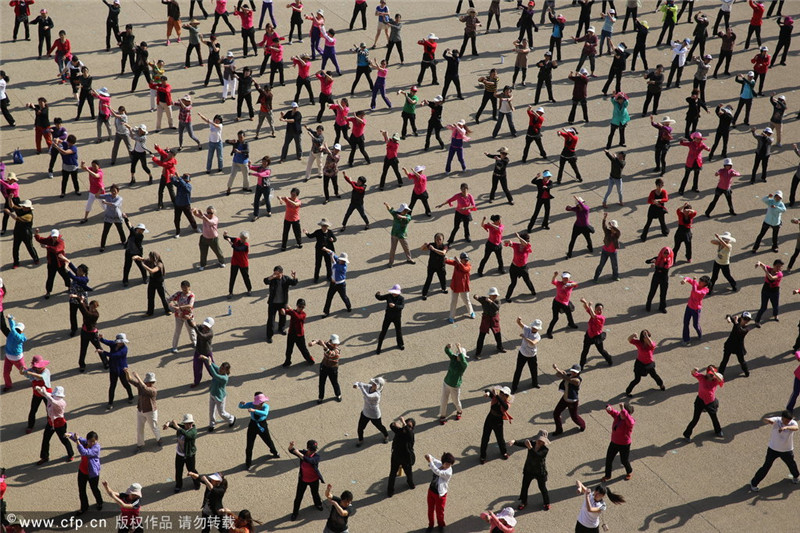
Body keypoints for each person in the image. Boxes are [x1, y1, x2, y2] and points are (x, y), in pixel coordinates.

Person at [750, 411, 800, 491]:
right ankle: (754, 483)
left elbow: (796, 428)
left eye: (789, 421)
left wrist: (786, 427)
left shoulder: (792, 422)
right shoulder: (777, 420)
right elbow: (766, 420)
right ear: (782, 418)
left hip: (786, 450)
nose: (787, 422)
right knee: (766, 466)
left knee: (792, 464)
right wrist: (769, 421)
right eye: (786, 420)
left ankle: (795, 476)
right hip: (773, 449)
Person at [683, 365, 725, 440]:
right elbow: (693, 373)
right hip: (700, 401)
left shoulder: (716, 380)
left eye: (712, 374)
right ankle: (687, 434)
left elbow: (720, 381)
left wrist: (714, 374)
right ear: (707, 373)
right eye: (710, 374)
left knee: (714, 418)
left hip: (710, 403)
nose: (711, 375)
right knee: (695, 419)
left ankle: (718, 431)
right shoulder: (702, 378)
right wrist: (694, 369)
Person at [239, 391, 279, 469]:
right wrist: (241, 403)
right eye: (259, 402)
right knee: (249, 445)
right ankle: (248, 463)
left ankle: (275, 452)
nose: (261, 404)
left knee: (268, 441)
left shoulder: (265, 406)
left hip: (262, 425)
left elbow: (265, 413)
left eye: (262, 402)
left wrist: (254, 410)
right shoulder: (251, 404)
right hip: (252, 425)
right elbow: (241, 407)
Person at [35, 385, 74, 465]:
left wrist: (45, 393)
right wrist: (39, 390)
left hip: (60, 424)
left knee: (64, 440)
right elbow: (46, 395)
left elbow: (52, 400)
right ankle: (44, 457)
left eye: (57, 395)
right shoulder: (52, 396)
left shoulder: (61, 403)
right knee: (45, 439)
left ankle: (71, 454)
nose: (55, 396)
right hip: (50, 423)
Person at [66, 430, 102, 515]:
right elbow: (79, 438)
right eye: (90, 441)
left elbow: (84, 452)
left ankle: (99, 502)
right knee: (82, 490)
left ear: (96, 440)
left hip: (92, 473)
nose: (91, 443)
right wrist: (70, 435)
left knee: (94, 488)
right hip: (82, 471)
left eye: (93, 441)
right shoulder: (86, 443)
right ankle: (84, 507)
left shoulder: (96, 448)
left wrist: (77, 442)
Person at [125, 370, 162, 451]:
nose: (147, 383)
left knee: (154, 427)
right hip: (140, 410)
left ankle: (159, 439)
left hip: (150, 411)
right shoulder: (141, 385)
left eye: (149, 382)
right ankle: (140, 444)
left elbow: (145, 388)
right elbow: (130, 380)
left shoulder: (153, 390)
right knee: (139, 428)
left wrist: (138, 377)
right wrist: (127, 373)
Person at [289, 439, 324, 520]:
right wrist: (291, 447)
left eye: (314, 450)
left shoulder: (316, 457)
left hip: (314, 480)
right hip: (303, 480)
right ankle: (295, 513)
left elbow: (309, 460)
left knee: (315, 494)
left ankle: (318, 504)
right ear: (307, 448)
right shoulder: (303, 453)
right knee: (298, 497)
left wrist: (298, 453)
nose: (313, 451)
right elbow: (291, 451)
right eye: (311, 449)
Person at [163, 414, 199, 492]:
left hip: (189, 455)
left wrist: (177, 426)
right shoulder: (181, 427)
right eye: (186, 423)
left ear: (192, 423)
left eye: (190, 423)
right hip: (179, 454)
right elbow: (172, 424)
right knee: (178, 471)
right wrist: (168, 423)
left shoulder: (193, 431)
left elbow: (187, 435)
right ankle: (178, 485)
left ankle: (197, 483)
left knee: (192, 471)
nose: (188, 425)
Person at [98, 332, 134, 410]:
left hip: (122, 369)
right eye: (120, 342)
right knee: (112, 386)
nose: (121, 343)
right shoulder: (113, 344)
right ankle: (110, 402)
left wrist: (103, 352)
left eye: (122, 342)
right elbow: (106, 342)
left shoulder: (124, 349)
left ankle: (131, 396)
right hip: (113, 369)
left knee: (125, 384)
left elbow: (114, 355)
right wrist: (101, 338)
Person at [718, 312, 760, 377]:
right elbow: (728, 315)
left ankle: (746, 372)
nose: (746, 321)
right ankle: (720, 375)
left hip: (738, 347)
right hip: (730, 344)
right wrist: (728, 318)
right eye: (745, 318)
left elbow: (739, 331)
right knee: (724, 360)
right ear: (742, 317)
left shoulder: (746, 328)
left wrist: (736, 322)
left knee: (741, 361)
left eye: (748, 319)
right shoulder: (737, 321)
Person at [624, 329, 665, 396]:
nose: (646, 338)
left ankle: (661, 384)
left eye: (648, 336)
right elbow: (629, 339)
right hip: (640, 363)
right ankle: (628, 391)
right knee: (637, 379)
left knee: (654, 375)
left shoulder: (652, 344)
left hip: (649, 364)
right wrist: (633, 335)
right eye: (644, 336)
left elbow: (651, 344)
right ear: (642, 338)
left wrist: (646, 336)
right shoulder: (639, 343)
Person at [602, 403, 634, 483]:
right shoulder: (618, 416)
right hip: (614, 442)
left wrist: (623, 409)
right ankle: (607, 475)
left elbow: (630, 421)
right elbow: (612, 412)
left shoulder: (629, 422)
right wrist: (609, 408)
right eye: (621, 413)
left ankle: (629, 471)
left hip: (624, 445)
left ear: (628, 414)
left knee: (624, 461)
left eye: (624, 414)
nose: (621, 415)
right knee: (609, 459)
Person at [264, 266, 298, 342]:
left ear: (281, 273)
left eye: (277, 274)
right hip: (273, 303)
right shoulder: (272, 279)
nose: (275, 275)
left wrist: (294, 277)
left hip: (282, 303)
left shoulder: (286, 279)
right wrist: (271, 277)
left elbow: (294, 283)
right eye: (274, 273)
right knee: (271, 320)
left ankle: (281, 329)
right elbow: (265, 281)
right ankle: (269, 336)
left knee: (283, 317)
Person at [33, 228, 69, 299]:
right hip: (51, 263)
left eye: (55, 237)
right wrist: (36, 234)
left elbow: (57, 249)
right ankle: (48, 292)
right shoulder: (49, 240)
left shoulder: (61, 242)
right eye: (53, 237)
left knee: (65, 275)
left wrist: (47, 246)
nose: (54, 238)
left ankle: (69, 286)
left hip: (60, 263)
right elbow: (40, 239)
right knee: (50, 278)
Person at [353, 377, 389, 446]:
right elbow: (359, 383)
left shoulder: (377, 395)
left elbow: (368, 395)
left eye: (375, 384)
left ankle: (386, 435)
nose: (373, 385)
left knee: (380, 426)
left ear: (378, 387)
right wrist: (356, 385)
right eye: (373, 383)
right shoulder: (369, 387)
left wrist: (361, 387)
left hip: (374, 415)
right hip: (365, 412)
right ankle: (360, 440)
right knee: (360, 428)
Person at [552, 363, 586, 435]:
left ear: (578, 373)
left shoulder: (577, 380)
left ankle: (583, 425)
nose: (573, 373)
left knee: (574, 417)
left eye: (575, 372)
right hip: (565, 398)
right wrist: (558, 370)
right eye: (572, 371)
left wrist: (558, 370)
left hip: (572, 401)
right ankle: (559, 430)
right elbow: (557, 375)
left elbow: (569, 379)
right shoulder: (569, 375)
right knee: (556, 413)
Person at [425, 452, 455, 532]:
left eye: (450, 464)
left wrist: (430, 462)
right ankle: (430, 525)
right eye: (447, 464)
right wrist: (429, 456)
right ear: (443, 462)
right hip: (431, 490)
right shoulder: (439, 464)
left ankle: (441, 526)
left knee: (440, 512)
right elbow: (433, 458)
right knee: (430, 510)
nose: (448, 466)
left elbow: (437, 472)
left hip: (440, 495)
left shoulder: (448, 472)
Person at [21, 355, 51, 433]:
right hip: (36, 394)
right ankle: (30, 426)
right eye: (37, 367)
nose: (38, 369)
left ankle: (50, 424)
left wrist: (30, 373)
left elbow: (41, 377)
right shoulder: (33, 370)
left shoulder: (46, 371)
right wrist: (22, 369)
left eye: (40, 367)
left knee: (49, 410)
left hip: (47, 394)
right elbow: (22, 373)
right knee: (33, 410)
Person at [135, 251, 170, 317]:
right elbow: (143, 259)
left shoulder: (159, 264)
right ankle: (149, 312)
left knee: (162, 297)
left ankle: (167, 309)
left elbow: (152, 270)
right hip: (152, 282)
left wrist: (143, 265)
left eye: (150, 257)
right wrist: (137, 257)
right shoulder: (150, 261)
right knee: (150, 297)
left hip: (159, 282)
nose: (149, 258)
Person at [578, 299, 612, 368]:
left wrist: (590, 306)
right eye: (598, 309)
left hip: (597, 337)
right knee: (585, 351)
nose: (600, 311)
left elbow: (593, 315)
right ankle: (581, 366)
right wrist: (585, 302)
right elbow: (587, 308)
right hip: (589, 335)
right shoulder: (593, 313)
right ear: (595, 310)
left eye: (601, 310)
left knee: (601, 350)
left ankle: (609, 360)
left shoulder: (601, 318)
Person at [511, 317, 541, 393]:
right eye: (533, 327)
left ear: (538, 329)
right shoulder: (527, 329)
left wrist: (524, 337)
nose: (533, 329)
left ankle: (535, 383)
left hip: (532, 355)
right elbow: (519, 323)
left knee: (534, 370)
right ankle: (514, 387)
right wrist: (519, 320)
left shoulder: (538, 336)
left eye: (535, 328)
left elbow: (533, 343)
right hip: (522, 354)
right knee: (518, 370)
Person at [440, 343, 468, 424]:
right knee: (443, 400)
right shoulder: (453, 358)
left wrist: (459, 348)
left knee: (455, 401)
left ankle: (459, 411)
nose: (457, 357)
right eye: (457, 355)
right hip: (446, 383)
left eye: (459, 355)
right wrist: (447, 347)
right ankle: (442, 415)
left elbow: (463, 361)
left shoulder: (464, 365)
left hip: (455, 386)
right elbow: (447, 351)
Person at [281, 299, 314, 367]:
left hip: (299, 335)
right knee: (289, 350)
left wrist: (290, 310)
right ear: (297, 305)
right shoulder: (293, 312)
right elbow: (284, 312)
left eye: (302, 307)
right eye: (299, 306)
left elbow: (298, 317)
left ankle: (310, 360)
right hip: (291, 334)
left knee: (303, 349)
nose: (301, 308)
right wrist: (282, 310)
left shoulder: (303, 314)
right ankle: (287, 361)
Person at [311, 334, 342, 402]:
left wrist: (323, 345)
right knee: (321, 383)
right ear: (330, 341)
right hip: (324, 366)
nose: (335, 345)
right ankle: (320, 397)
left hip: (333, 368)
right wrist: (314, 342)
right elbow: (319, 341)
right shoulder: (328, 344)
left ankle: (338, 394)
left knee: (334, 382)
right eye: (334, 343)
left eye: (336, 343)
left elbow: (330, 353)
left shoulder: (337, 350)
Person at [193, 206, 226, 270]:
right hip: (204, 238)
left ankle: (222, 262)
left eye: (211, 213)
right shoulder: (205, 216)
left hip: (213, 239)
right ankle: (202, 264)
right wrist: (194, 210)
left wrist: (203, 215)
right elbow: (195, 214)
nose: (209, 214)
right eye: (208, 212)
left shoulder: (215, 219)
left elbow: (209, 222)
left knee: (218, 252)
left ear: (214, 213)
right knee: (203, 253)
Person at [445, 252, 474, 324]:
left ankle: (471, 312)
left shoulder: (468, 266)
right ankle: (451, 317)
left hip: (464, 287)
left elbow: (464, 269)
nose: (466, 261)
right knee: (453, 302)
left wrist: (458, 262)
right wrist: (445, 259)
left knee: (467, 300)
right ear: (461, 259)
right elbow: (448, 261)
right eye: (465, 260)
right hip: (455, 286)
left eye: (467, 260)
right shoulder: (456, 263)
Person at [169, 280, 197, 353]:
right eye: (183, 289)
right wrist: (171, 305)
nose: (184, 291)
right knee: (177, 331)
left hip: (188, 316)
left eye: (186, 289)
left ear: (189, 288)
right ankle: (174, 347)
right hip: (179, 316)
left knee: (191, 330)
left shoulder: (191, 296)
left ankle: (194, 341)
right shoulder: (178, 294)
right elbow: (169, 299)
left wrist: (180, 307)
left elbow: (190, 306)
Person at [375, 285, 404, 354]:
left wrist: (394, 306)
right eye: (393, 292)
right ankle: (378, 348)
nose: (394, 294)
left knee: (398, 331)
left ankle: (400, 344)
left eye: (395, 293)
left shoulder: (401, 298)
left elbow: (401, 307)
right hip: (388, 317)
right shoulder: (389, 296)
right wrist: (377, 295)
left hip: (397, 317)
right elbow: (380, 298)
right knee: (383, 332)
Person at [305, 219, 336, 283]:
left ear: (327, 226)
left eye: (325, 226)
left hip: (327, 251)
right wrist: (307, 233)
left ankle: (329, 276)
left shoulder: (330, 232)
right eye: (322, 226)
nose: (324, 227)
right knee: (318, 264)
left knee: (328, 264)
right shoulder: (318, 232)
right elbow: (311, 236)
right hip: (319, 250)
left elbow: (335, 239)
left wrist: (332, 240)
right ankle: (316, 277)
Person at [322, 250, 351, 316]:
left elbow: (333, 264)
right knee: (329, 297)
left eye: (343, 261)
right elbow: (332, 253)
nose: (342, 261)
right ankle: (326, 312)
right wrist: (326, 249)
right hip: (333, 284)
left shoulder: (343, 267)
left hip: (341, 284)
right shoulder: (338, 261)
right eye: (342, 260)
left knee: (344, 297)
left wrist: (331, 257)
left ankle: (349, 306)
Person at [222, 230, 252, 297]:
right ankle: (230, 292)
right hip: (235, 262)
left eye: (245, 239)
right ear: (240, 237)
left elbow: (237, 249)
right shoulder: (236, 239)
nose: (244, 240)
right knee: (232, 277)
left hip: (243, 263)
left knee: (246, 277)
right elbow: (227, 237)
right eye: (243, 238)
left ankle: (249, 289)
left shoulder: (246, 245)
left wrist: (230, 242)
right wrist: (225, 235)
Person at [755, 259, 784, 323]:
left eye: (780, 267)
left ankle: (775, 315)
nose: (778, 268)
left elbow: (771, 278)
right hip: (766, 289)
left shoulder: (780, 274)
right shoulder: (769, 269)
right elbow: (760, 262)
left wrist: (765, 270)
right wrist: (758, 263)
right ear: (773, 265)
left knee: (775, 305)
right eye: (777, 266)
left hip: (774, 291)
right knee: (763, 307)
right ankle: (757, 321)